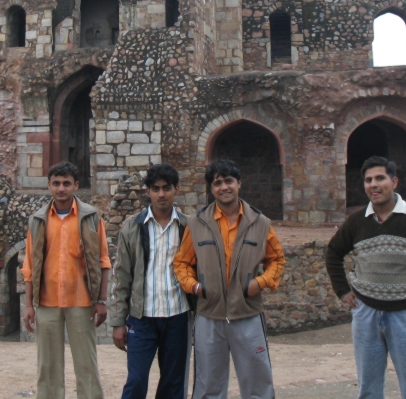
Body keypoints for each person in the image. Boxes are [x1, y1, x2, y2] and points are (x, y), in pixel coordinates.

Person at [326, 156, 406, 399]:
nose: (373, 185)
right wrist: (343, 291)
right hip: (366, 314)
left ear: (394, 181)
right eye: (368, 180)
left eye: (380, 178)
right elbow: (334, 252)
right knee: (368, 387)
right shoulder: (358, 221)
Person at [174, 158, 286, 399]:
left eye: (228, 181)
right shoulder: (197, 224)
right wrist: (194, 287)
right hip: (209, 315)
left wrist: (260, 283)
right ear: (211, 188)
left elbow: (276, 260)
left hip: (247, 314)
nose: (223, 187)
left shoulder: (260, 223)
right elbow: (182, 263)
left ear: (239, 184)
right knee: (208, 385)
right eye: (217, 183)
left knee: (257, 382)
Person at [22, 161, 111, 399]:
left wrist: (102, 300)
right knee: (48, 367)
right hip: (47, 301)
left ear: (76, 186)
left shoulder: (91, 217)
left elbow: (103, 261)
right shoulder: (38, 220)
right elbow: (29, 266)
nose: (61, 189)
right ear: (49, 185)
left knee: (86, 364)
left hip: (81, 301)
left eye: (66, 184)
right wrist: (29, 305)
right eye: (57, 184)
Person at [111, 163, 192, 399]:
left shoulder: (188, 226)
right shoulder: (132, 227)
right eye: (155, 189)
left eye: (166, 188)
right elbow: (122, 275)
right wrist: (118, 321)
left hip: (177, 314)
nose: (161, 194)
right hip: (142, 317)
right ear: (147, 192)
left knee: (172, 382)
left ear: (176, 189)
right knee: (136, 380)